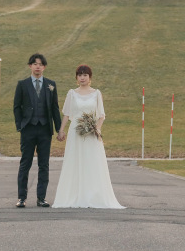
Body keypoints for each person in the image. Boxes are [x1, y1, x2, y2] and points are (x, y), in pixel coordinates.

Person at [52, 64, 124, 209]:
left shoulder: (96, 93)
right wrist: (61, 130)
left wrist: (95, 129)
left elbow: (101, 115)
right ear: (76, 78)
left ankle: (93, 196)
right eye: (80, 75)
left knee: (92, 162)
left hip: (91, 133)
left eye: (85, 75)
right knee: (75, 161)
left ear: (90, 77)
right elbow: (66, 114)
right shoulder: (72, 93)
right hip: (75, 132)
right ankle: (73, 195)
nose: (82, 78)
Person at [13, 53, 62, 208]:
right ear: (30, 66)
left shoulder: (51, 84)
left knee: (44, 164)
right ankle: (21, 198)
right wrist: (20, 126)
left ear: (44, 67)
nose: (38, 66)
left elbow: (55, 108)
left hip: (45, 130)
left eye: (40, 64)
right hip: (28, 129)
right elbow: (16, 107)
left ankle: (41, 198)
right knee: (25, 163)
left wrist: (59, 129)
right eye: (35, 64)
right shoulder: (23, 84)